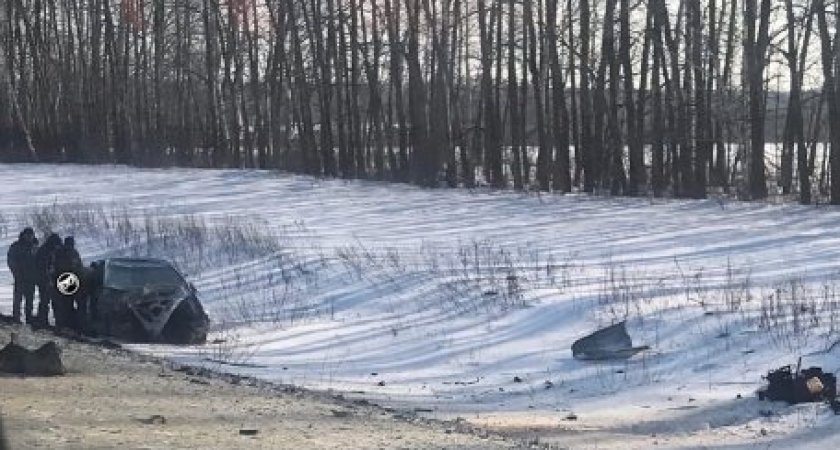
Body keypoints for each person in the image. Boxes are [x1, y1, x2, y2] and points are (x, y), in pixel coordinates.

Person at [51, 236, 84, 330]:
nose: (71, 246)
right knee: (62, 305)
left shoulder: (74, 253)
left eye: (72, 244)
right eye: (69, 244)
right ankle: (61, 325)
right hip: (60, 281)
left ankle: (70, 325)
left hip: (72, 281)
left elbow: (79, 266)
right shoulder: (59, 253)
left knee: (69, 304)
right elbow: (54, 267)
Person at [6, 227, 36, 324]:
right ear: (23, 235)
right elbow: (11, 261)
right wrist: (16, 273)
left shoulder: (34, 246)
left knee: (30, 299)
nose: (29, 237)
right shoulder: (16, 246)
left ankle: (29, 317)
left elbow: (39, 261)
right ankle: (16, 318)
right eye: (28, 235)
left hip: (31, 277)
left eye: (31, 235)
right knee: (18, 299)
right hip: (20, 277)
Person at [33, 233, 61, 327]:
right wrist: (47, 279)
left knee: (52, 301)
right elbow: (42, 267)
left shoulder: (53, 251)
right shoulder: (44, 251)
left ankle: (55, 321)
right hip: (44, 279)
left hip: (52, 279)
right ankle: (42, 320)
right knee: (45, 301)